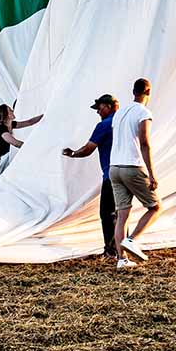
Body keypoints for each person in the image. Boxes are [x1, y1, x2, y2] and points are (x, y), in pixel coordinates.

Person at [110, 78, 161, 269]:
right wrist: (152, 175)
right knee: (155, 207)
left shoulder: (119, 113)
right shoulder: (143, 113)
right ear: (148, 92)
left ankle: (121, 260)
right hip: (131, 166)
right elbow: (145, 143)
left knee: (122, 215)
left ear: (133, 91)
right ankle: (131, 240)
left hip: (114, 167)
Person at [62, 94, 119, 257]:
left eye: (99, 109)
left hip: (111, 174)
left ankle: (111, 251)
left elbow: (88, 149)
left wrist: (73, 153)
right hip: (128, 172)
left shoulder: (104, 125)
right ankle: (123, 247)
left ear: (108, 106)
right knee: (121, 213)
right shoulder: (125, 122)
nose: (98, 112)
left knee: (107, 213)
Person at [0, 104, 44, 180]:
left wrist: (45, 115)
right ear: (5, 114)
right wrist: (33, 147)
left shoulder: (10, 125)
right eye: (10, 110)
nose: (12, 111)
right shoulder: (0, 128)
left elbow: (30, 122)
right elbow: (16, 143)